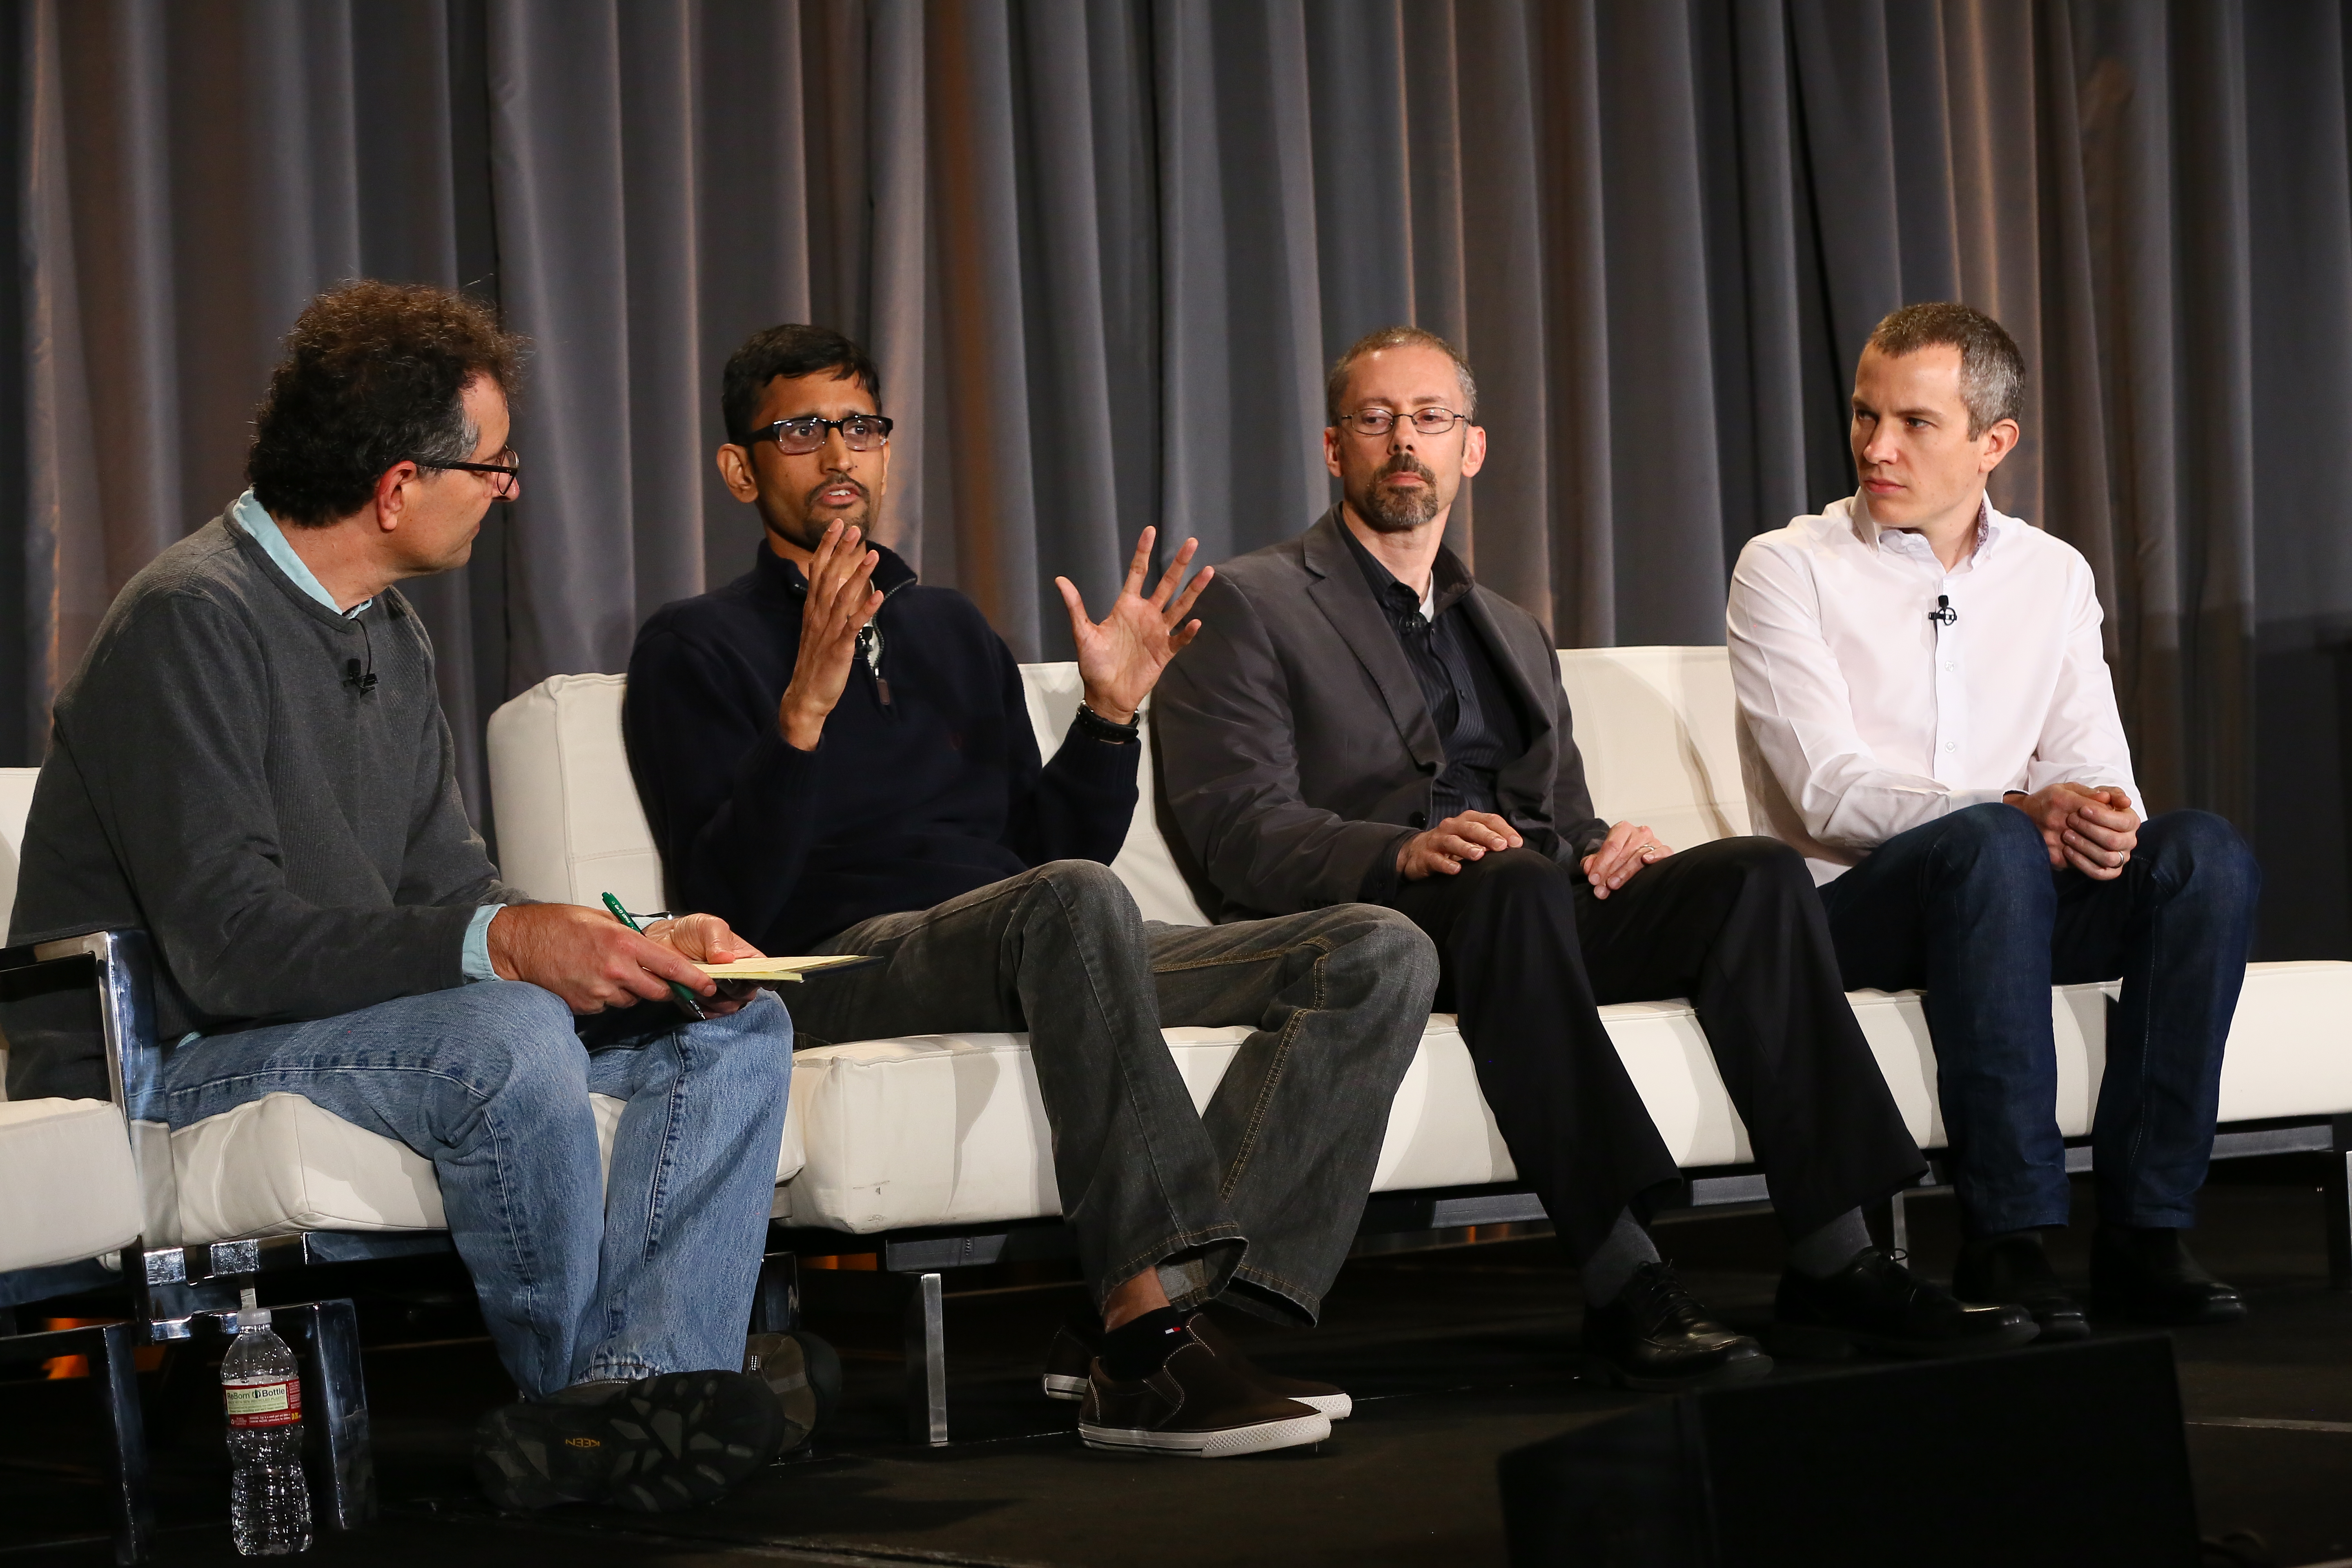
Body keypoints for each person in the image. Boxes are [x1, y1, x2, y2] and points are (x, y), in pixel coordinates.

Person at [5, 282, 806, 1515]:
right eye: (493, 467)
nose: (509, 490)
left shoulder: (390, 630)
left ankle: (639, 1400)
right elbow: (231, 952)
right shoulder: (187, 623)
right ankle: (580, 1415)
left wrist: (627, 944)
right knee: (509, 1028)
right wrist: (513, 950)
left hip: (332, 1028)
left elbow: (453, 897)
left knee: (729, 1024)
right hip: (165, 1053)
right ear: (396, 486)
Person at [1153, 325, 2035, 1389]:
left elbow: (1560, 817)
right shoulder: (1251, 603)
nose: (1405, 443)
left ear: (1470, 451)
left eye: (1431, 420)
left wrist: (1606, 846)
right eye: (1377, 420)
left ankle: (1835, 1258)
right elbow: (1236, 829)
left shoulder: (1510, 628)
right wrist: (1404, 849)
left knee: (1750, 876)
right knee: (1510, 878)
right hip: (1391, 914)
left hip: (1529, 904)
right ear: (1335, 450)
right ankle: (1626, 1280)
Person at [623, 324, 1438, 1459]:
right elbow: (726, 903)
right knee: (1065, 903)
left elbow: (1054, 848)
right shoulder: (695, 647)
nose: (839, 454)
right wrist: (802, 714)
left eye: (860, 426)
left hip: (1010, 930)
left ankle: (1194, 1319)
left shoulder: (951, 628)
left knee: (1375, 949)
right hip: (828, 964)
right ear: (740, 468)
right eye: (802, 431)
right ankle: (1150, 1348)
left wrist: (1110, 718)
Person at [1726, 301, 2261, 1336]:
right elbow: (1823, 791)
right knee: (1991, 842)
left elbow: (2096, 763)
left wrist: (2103, 817)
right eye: (1865, 416)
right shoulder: (1786, 567)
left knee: (2203, 855)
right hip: (1848, 910)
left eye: (1915, 424)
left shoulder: (2052, 573)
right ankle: (2005, 1234)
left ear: (1993, 443)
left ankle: (2147, 1233)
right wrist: (2016, 809)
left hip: (2011, 891)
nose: (1877, 448)